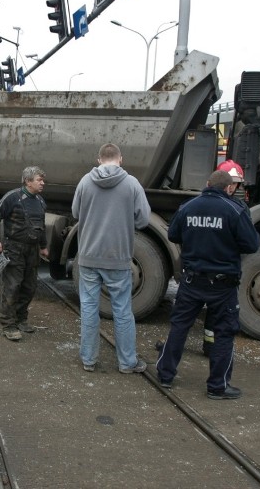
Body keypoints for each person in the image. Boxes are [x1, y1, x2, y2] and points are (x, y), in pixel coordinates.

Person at [156, 169, 260, 400]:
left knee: (180, 327)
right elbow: (252, 245)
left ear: (207, 183)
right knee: (224, 333)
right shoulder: (235, 210)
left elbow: (173, 235)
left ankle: (165, 375)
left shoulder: (188, 207)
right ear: (228, 188)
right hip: (223, 285)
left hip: (193, 280)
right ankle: (217, 387)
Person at [72, 143, 151, 374]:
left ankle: (89, 360)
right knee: (122, 310)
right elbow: (143, 220)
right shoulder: (132, 184)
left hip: (88, 257)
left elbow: (76, 213)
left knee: (88, 308)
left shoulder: (85, 182)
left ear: (99, 160)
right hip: (118, 257)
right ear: (120, 159)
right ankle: (127, 363)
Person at [0, 166, 48, 341]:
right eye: (39, 180)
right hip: (14, 248)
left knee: (29, 287)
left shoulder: (40, 201)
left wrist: (43, 246)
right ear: (28, 181)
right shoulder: (12, 197)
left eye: (42, 180)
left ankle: (21, 319)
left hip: (32, 250)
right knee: (12, 286)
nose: (42, 183)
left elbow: (41, 226)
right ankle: (8, 324)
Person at [200, 159, 248, 357]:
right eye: (232, 183)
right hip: (219, 271)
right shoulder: (237, 210)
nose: (234, 187)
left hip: (207, 269)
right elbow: (250, 243)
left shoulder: (201, 204)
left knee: (209, 314)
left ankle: (209, 345)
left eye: (237, 183)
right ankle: (210, 347)